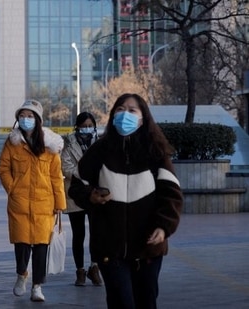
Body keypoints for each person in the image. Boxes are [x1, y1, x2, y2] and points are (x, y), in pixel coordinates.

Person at [68, 93, 183, 308]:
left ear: (143, 118)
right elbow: (77, 186)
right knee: (121, 302)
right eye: (120, 109)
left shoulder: (156, 152)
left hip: (148, 248)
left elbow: (172, 193)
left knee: (146, 302)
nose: (125, 115)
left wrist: (164, 226)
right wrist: (90, 195)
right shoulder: (99, 151)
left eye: (132, 110)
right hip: (109, 248)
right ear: (112, 116)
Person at [0, 100, 67, 302]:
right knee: (21, 244)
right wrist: (13, 188)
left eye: (30, 116)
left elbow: (56, 175)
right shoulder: (12, 143)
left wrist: (60, 203)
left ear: (37, 119)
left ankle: (37, 286)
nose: (25, 119)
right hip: (19, 202)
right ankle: (22, 274)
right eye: (22, 115)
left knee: (41, 247)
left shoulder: (50, 146)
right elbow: (3, 169)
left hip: (44, 204)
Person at [61, 112, 103, 286]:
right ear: (77, 126)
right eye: (83, 125)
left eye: (90, 125)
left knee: (96, 233)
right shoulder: (68, 142)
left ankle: (95, 268)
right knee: (78, 234)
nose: (87, 128)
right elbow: (65, 166)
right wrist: (85, 175)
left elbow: (104, 164)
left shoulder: (100, 142)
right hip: (76, 193)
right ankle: (80, 270)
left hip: (96, 193)